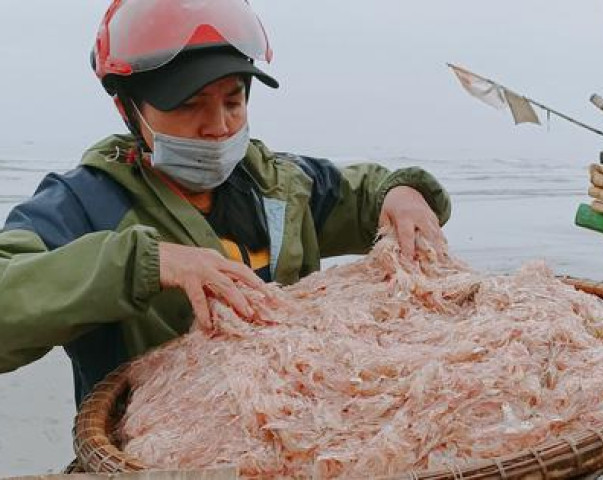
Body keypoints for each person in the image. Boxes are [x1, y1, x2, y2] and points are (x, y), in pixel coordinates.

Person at [0, 0, 451, 406]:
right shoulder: (84, 203)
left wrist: (403, 191)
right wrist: (142, 265)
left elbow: (366, 192)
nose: (217, 126)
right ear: (129, 110)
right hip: (163, 451)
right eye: (190, 105)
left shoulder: (278, 185)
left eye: (233, 101)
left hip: (299, 424)